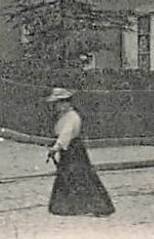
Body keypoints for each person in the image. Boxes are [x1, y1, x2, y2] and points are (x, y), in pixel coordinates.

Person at [45, 87, 115, 217]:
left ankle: (97, 205)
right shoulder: (64, 116)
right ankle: (68, 206)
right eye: (56, 103)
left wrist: (56, 147)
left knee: (80, 176)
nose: (56, 106)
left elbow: (66, 134)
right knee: (68, 176)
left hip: (74, 149)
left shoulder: (71, 117)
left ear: (67, 103)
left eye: (59, 103)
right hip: (69, 150)